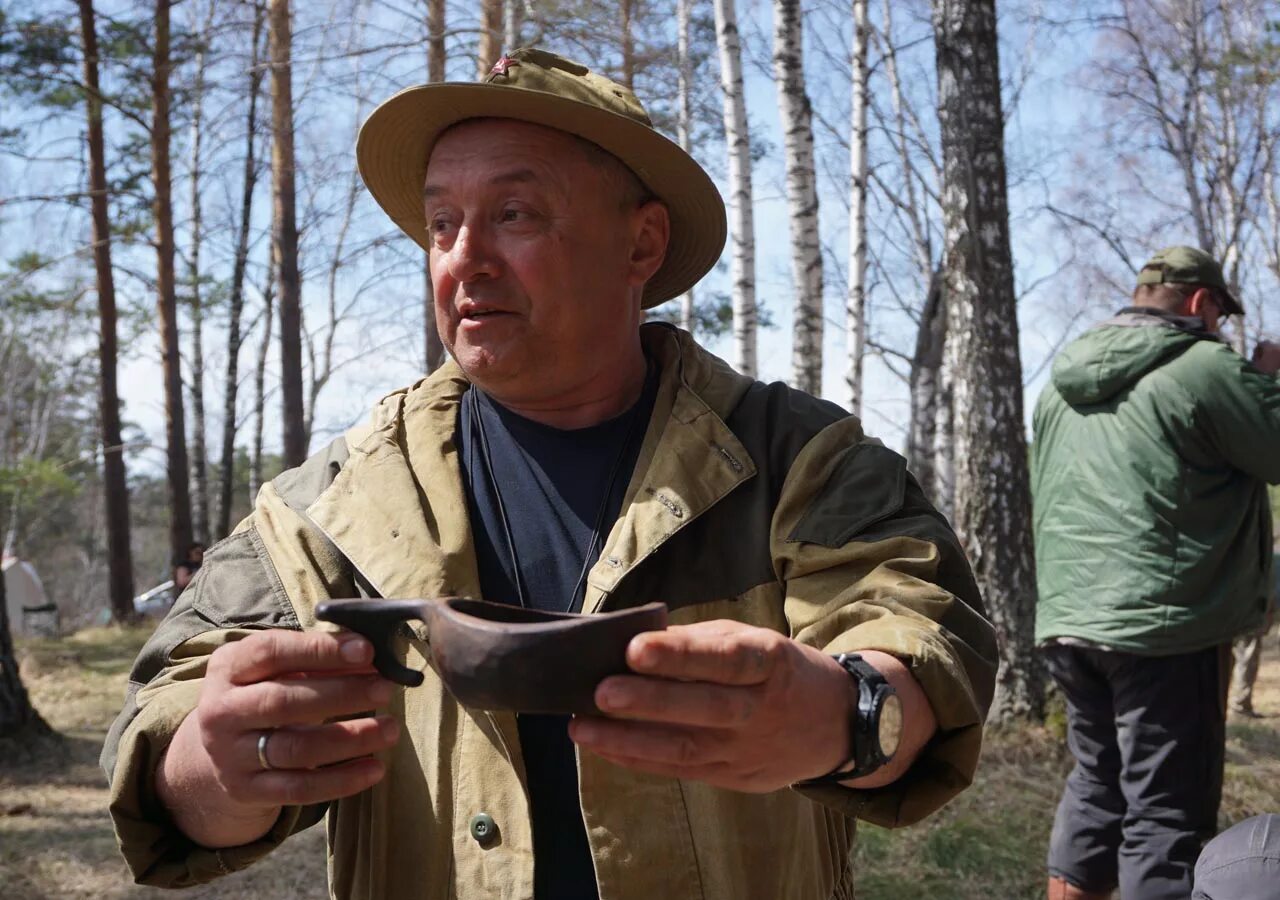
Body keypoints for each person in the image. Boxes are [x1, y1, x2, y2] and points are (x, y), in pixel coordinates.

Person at [102, 48, 998, 900]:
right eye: (442, 222)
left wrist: (849, 711)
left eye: (515, 214)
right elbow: (170, 734)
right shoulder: (340, 502)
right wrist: (216, 769)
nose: (464, 257)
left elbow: (922, 637)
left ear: (641, 245)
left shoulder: (794, 459)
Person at [1031, 245, 1280, 900]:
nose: (1222, 327)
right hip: (1163, 629)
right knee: (1165, 814)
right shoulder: (1203, 366)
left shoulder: (1062, 382)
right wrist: (1267, 381)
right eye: (1221, 313)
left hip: (1067, 621)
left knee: (1095, 784)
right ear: (1201, 304)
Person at [1228, 543, 1278, 717]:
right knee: (1246, 659)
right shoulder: (1264, 559)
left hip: (1230, 614)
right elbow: (1269, 590)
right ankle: (1240, 705)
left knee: (1231, 658)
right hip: (1249, 614)